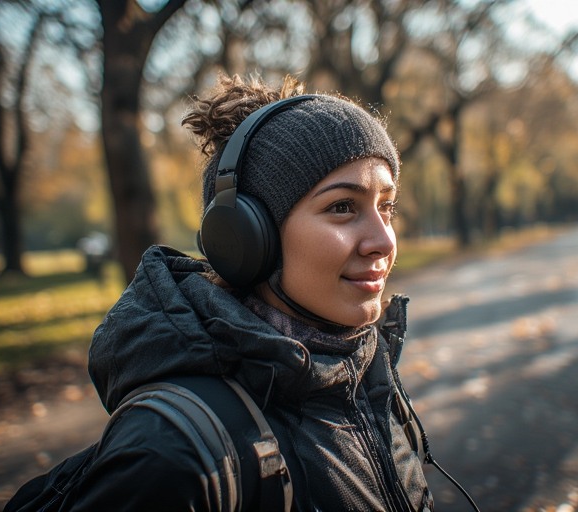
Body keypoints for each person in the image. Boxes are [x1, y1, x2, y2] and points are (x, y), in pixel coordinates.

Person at [48, 74, 436, 511]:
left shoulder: (367, 378)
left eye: (386, 206)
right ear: (245, 237)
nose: (383, 241)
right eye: (342, 207)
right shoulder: (172, 456)